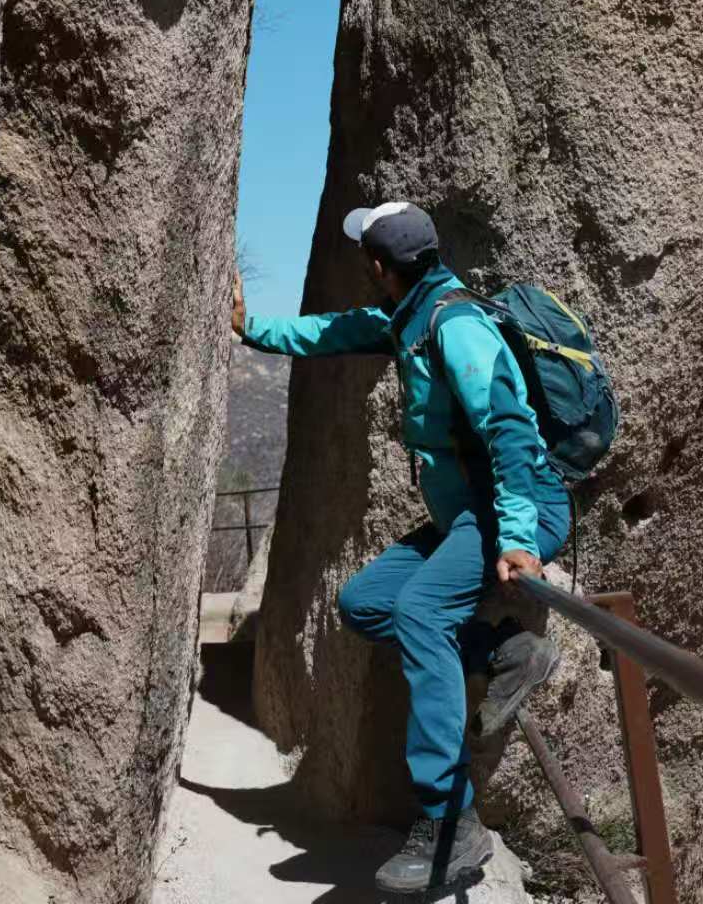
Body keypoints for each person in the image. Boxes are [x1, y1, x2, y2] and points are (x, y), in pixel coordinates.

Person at [232, 201, 569, 895]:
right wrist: (250, 327)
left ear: (381, 265)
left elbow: (509, 429)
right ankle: (504, 651)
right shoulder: (407, 316)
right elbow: (333, 332)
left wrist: (517, 540)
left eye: (367, 258)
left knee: (419, 611)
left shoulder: (456, 325)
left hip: (515, 512)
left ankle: (450, 822)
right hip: (466, 519)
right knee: (365, 602)